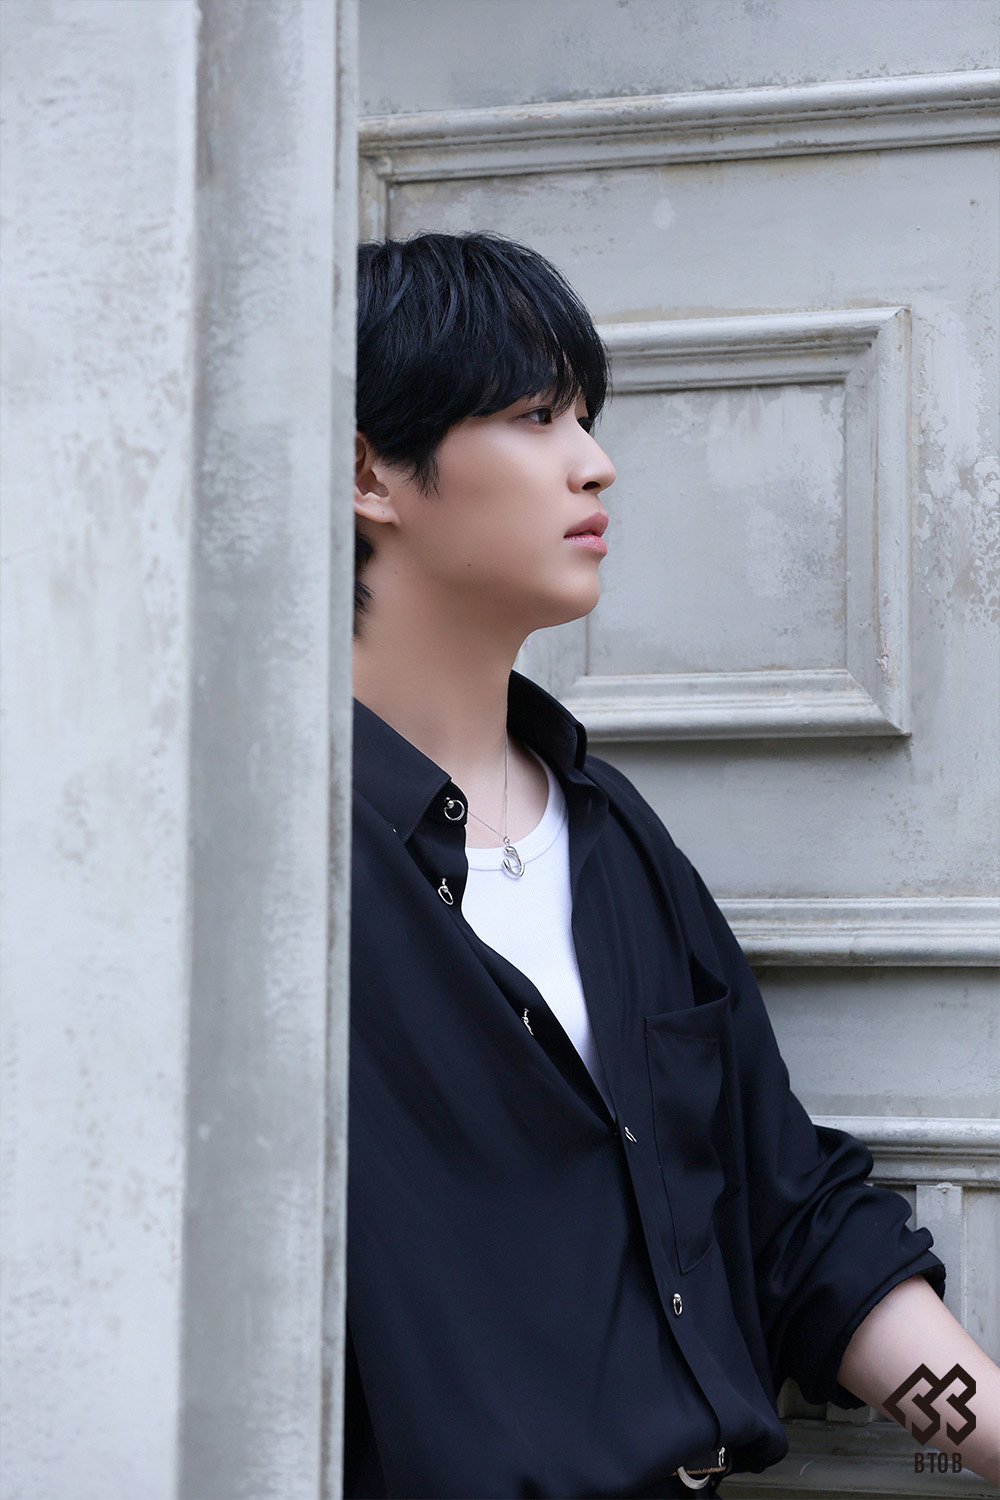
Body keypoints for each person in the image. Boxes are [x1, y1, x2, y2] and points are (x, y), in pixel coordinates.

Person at [346, 231, 999, 1498]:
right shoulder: (282, 884)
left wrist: (984, 1427)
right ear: (370, 470)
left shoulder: (612, 839)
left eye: (584, 417)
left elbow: (797, 1223)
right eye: (534, 416)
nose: (593, 462)